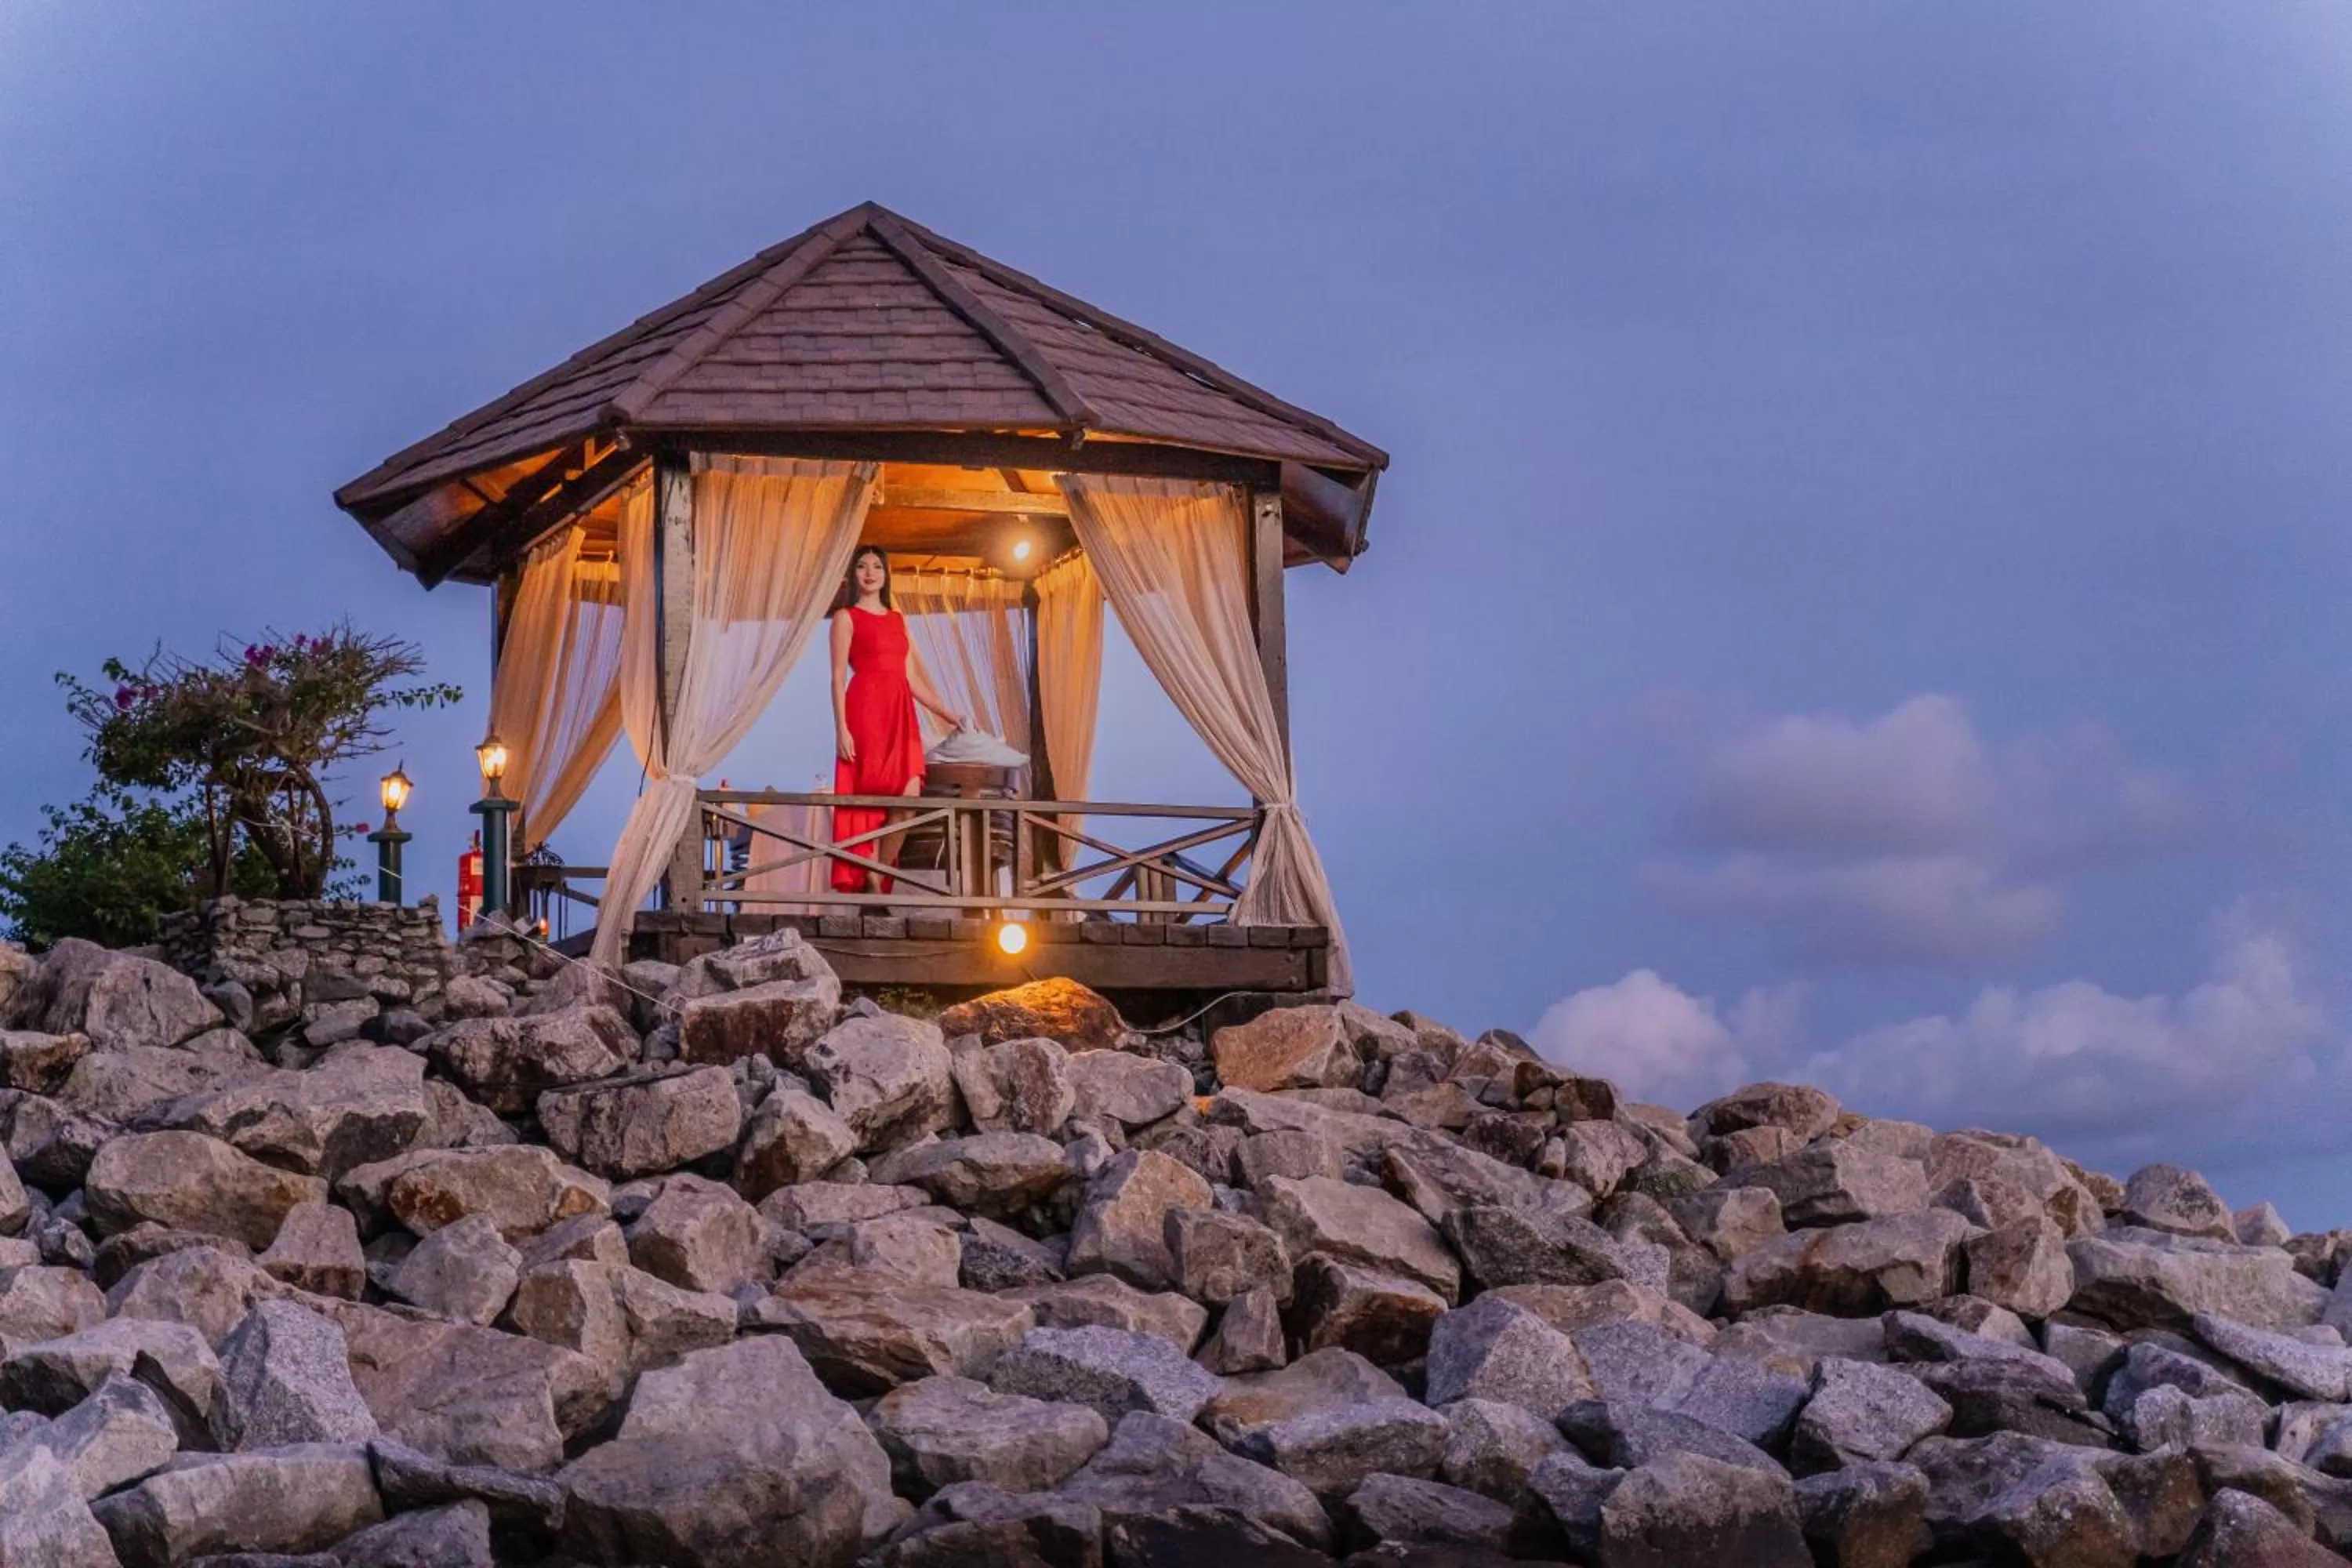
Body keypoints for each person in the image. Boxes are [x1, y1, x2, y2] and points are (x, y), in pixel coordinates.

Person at [828, 546, 967, 894]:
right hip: (865, 711)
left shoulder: (897, 619)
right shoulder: (845, 617)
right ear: (853, 574)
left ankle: (874, 872)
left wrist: (948, 713)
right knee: (867, 796)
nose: (870, 573)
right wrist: (841, 728)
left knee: (908, 798)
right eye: (862, 566)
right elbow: (837, 676)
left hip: (900, 713)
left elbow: (910, 678)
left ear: (886, 574)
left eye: (877, 566)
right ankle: (871, 878)